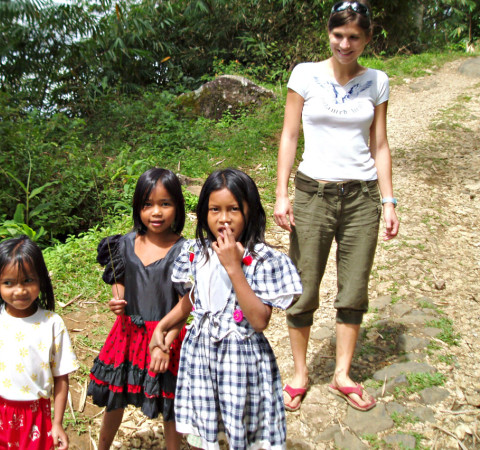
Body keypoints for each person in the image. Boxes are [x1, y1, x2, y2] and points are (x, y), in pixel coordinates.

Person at [273, 0, 400, 413]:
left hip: (362, 198)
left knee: (354, 289)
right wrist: (281, 193)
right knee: (303, 287)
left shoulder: (377, 80)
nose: (345, 44)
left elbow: (379, 145)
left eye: (354, 37)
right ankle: (300, 373)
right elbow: (289, 135)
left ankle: (342, 374)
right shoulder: (304, 75)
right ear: (328, 33)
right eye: (338, 35)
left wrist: (389, 200)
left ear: (366, 39)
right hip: (313, 194)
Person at [151, 168, 302, 450]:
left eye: (233, 209)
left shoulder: (261, 259)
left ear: (250, 211)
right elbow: (195, 299)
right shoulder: (197, 252)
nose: (223, 218)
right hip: (201, 356)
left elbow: (259, 320)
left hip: (241, 361)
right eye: (214, 209)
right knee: (204, 431)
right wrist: (165, 324)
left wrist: (234, 267)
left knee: (240, 430)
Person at [87, 168, 188, 450]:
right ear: (138, 208)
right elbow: (118, 280)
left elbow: (186, 302)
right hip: (127, 333)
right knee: (114, 396)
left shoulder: (184, 251)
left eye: (164, 204)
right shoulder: (125, 244)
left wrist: (166, 340)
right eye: (148, 204)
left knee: (169, 403)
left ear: (177, 207)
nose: (156, 212)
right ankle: (104, 446)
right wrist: (118, 298)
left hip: (166, 337)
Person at [0, 235, 79, 450]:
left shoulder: (52, 324)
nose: (20, 290)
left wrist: (58, 423)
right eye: (8, 283)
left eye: (28, 280)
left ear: (41, 279)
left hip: (35, 416)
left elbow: (61, 377)